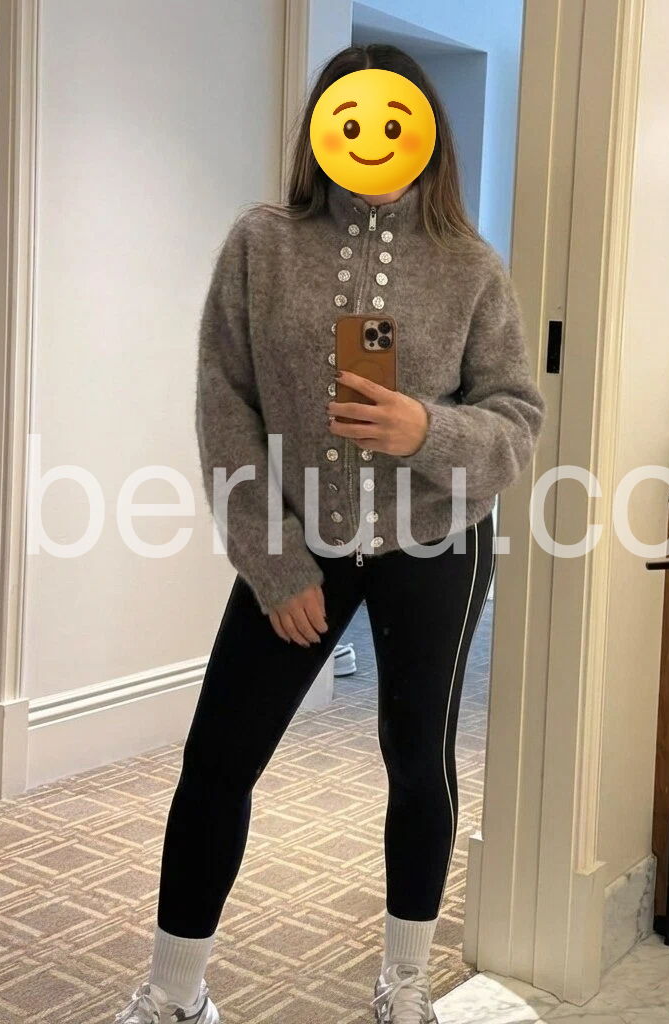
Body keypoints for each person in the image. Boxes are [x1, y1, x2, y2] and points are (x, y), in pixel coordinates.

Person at [114, 43, 545, 1024]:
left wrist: (424, 429)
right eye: (351, 117)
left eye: (394, 120)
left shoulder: (472, 268)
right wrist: (273, 562)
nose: (373, 137)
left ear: (426, 135)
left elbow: (516, 419)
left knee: (418, 759)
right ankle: (174, 995)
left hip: (436, 539)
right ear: (321, 128)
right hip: (296, 541)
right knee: (217, 761)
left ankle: (405, 986)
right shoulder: (261, 245)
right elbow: (225, 404)